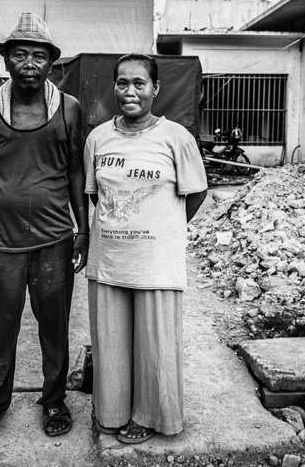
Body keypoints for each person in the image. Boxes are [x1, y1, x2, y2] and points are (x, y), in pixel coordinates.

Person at [0, 12, 88, 446]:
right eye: (20, 54)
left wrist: (82, 230)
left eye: (38, 54)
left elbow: (74, 173)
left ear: (51, 61)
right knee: (0, 330)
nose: (29, 62)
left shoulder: (69, 109)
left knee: (54, 326)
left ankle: (54, 400)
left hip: (54, 241)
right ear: (7, 61)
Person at [83, 54, 207, 444]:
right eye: (122, 83)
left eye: (140, 83)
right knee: (111, 342)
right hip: (109, 260)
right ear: (114, 88)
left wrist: (162, 228)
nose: (130, 91)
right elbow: (95, 195)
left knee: (155, 347)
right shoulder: (98, 138)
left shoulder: (176, 137)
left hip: (156, 263)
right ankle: (112, 412)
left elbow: (197, 192)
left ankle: (150, 417)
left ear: (156, 89)